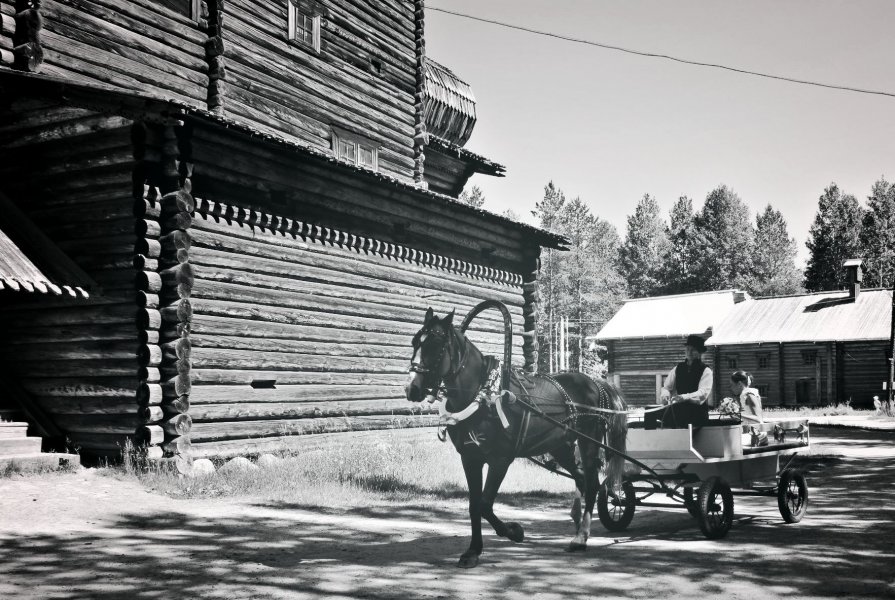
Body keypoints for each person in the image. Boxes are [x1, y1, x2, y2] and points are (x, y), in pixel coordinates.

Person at [644, 334, 713, 429]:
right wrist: (665, 394)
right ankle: (650, 441)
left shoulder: (706, 371)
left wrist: (684, 397)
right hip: (678, 409)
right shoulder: (678, 368)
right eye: (687, 349)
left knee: (680, 415)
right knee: (649, 412)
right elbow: (667, 387)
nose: (689, 352)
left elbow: (702, 394)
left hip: (696, 413)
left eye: (693, 350)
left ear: (700, 352)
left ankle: (679, 440)